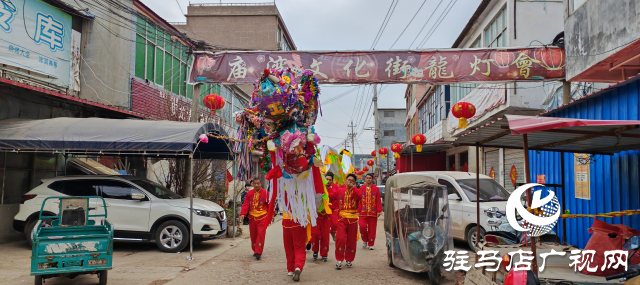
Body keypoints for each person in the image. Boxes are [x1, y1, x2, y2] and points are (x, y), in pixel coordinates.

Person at [329, 173, 362, 269]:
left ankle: (349, 259)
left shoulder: (356, 191)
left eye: (352, 181)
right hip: (342, 218)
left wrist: (354, 188)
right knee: (340, 239)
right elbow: (331, 196)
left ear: (354, 183)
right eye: (349, 180)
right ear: (345, 181)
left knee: (351, 240)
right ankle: (339, 260)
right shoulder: (340, 191)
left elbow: (360, 196)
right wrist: (325, 189)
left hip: (352, 218)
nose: (350, 182)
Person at [310, 172, 337, 262]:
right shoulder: (318, 189)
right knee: (315, 234)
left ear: (332, 181)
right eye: (327, 179)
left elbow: (335, 204)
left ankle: (324, 254)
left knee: (325, 235)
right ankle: (315, 250)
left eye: (330, 180)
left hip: (326, 216)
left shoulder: (333, 192)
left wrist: (328, 209)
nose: (328, 181)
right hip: (316, 215)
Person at [239, 178, 269, 260]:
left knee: (261, 234)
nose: (256, 185)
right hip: (252, 217)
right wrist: (243, 213)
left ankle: (258, 252)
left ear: (261, 183)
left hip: (263, 217)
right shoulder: (249, 193)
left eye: (258, 183)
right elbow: (245, 204)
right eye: (255, 183)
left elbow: (270, 204)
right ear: (252, 184)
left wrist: (272, 215)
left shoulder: (266, 193)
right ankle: (255, 250)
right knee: (253, 235)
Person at [357, 173, 382, 250]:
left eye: (370, 178)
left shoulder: (376, 189)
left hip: (373, 213)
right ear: (365, 179)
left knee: (372, 229)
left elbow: (378, 200)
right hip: (363, 212)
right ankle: (365, 240)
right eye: (367, 178)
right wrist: (358, 210)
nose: (368, 179)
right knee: (362, 227)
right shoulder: (361, 189)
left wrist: (379, 211)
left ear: (372, 179)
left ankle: (371, 243)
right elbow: (359, 201)